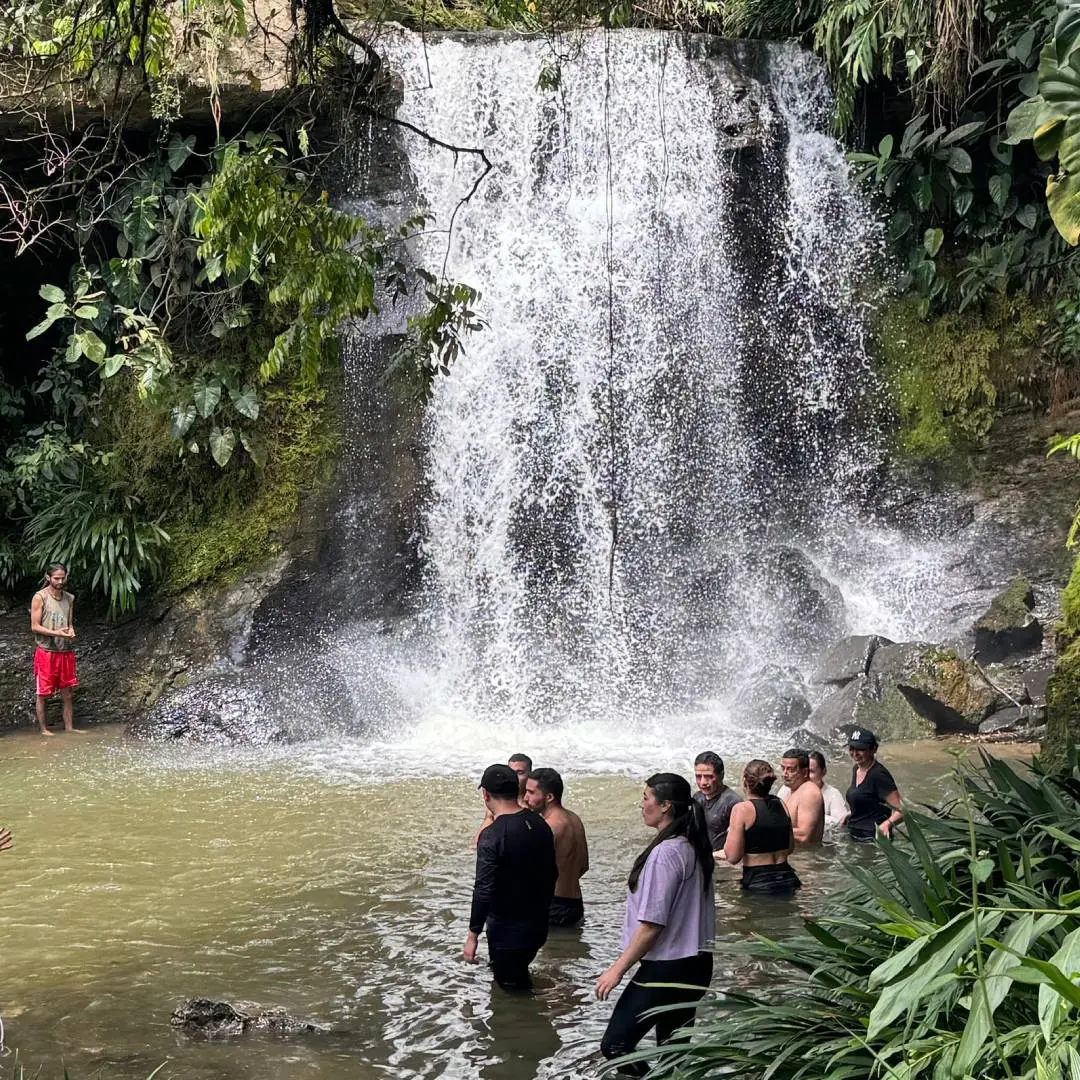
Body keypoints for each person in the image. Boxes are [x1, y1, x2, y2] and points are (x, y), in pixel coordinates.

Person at [596, 773, 715, 1076]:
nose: (641, 804)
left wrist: (617, 969)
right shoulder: (693, 845)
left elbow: (652, 925)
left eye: (646, 797)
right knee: (673, 1054)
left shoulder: (666, 853)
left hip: (667, 967)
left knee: (615, 1046)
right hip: (698, 965)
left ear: (664, 806)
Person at [464, 763, 557, 991]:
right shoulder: (540, 824)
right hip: (538, 927)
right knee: (518, 977)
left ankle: (531, 1023)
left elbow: (483, 889)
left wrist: (473, 935)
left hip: (507, 934)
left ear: (485, 794)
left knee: (512, 995)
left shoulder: (491, 835)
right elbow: (552, 873)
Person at [523, 768, 590, 927]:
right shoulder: (575, 819)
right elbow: (584, 866)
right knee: (570, 950)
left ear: (549, 797)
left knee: (549, 951)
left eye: (531, 793)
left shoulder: (546, 827)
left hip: (552, 905)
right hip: (576, 904)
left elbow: (530, 873)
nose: (525, 798)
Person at [724, 759, 801, 894]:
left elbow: (733, 857)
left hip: (758, 883)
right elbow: (790, 848)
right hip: (788, 879)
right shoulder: (781, 804)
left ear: (744, 781)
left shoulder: (742, 809)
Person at [30, 563, 81, 736]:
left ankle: (69, 728)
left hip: (65, 650)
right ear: (48, 578)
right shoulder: (40, 597)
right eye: (56, 578)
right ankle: (44, 729)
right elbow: (35, 626)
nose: (60, 581)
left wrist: (71, 631)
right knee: (43, 693)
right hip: (46, 651)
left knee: (67, 693)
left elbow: (70, 623)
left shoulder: (69, 598)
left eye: (62, 578)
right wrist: (55, 633)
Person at [845, 729, 903, 841]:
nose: (855, 754)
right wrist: (850, 813)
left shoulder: (879, 775)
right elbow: (867, 799)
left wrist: (887, 824)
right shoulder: (857, 768)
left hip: (873, 839)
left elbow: (902, 811)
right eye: (851, 748)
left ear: (873, 749)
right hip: (855, 834)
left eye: (860, 749)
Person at [475, 753, 533, 842]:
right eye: (511, 772)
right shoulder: (495, 801)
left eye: (520, 773)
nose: (515, 777)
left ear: (530, 775)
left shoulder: (534, 804)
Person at [692, 751, 742, 854]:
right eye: (698, 776)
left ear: (721, 775)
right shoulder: (697, 797)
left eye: (709, 776)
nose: (703, 782)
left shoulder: (734, 804)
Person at [779, 749, 824, 845]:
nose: (784, 774)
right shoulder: (793, 790)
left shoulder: (809, 793)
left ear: (804, 772)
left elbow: (804, 835)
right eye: (783, 768)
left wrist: (767, 829)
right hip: (793, 856)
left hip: (805, 858)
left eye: (790, 769)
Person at [809, 751, 850, 829]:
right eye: (804, 771)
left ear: (823, 772)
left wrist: (811, 817)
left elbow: (840, 823)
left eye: (811, 771)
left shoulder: (833, 794)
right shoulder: (788, 789)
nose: (806, 776)